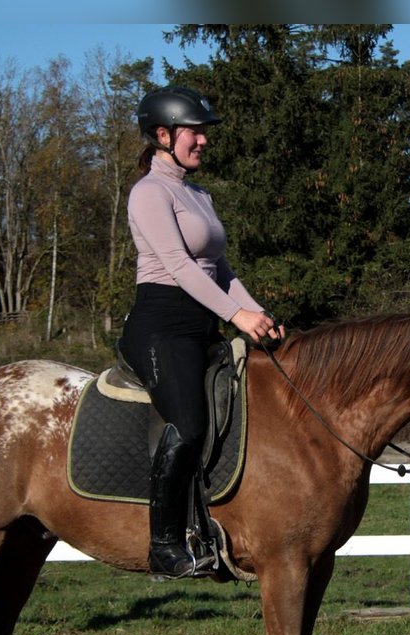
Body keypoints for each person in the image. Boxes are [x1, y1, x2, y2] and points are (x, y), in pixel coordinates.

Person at [120, 85, 285, 578]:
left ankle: (219, 529)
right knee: (189, 425)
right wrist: (238, 318)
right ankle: (164, 544)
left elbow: (222, 270)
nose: (203, 141)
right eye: (195, 132)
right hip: (161, 325)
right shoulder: (149, 192)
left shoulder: (198, 194)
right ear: (164, 135)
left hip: (202, 321)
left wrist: (260, 316)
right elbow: (179, 266)